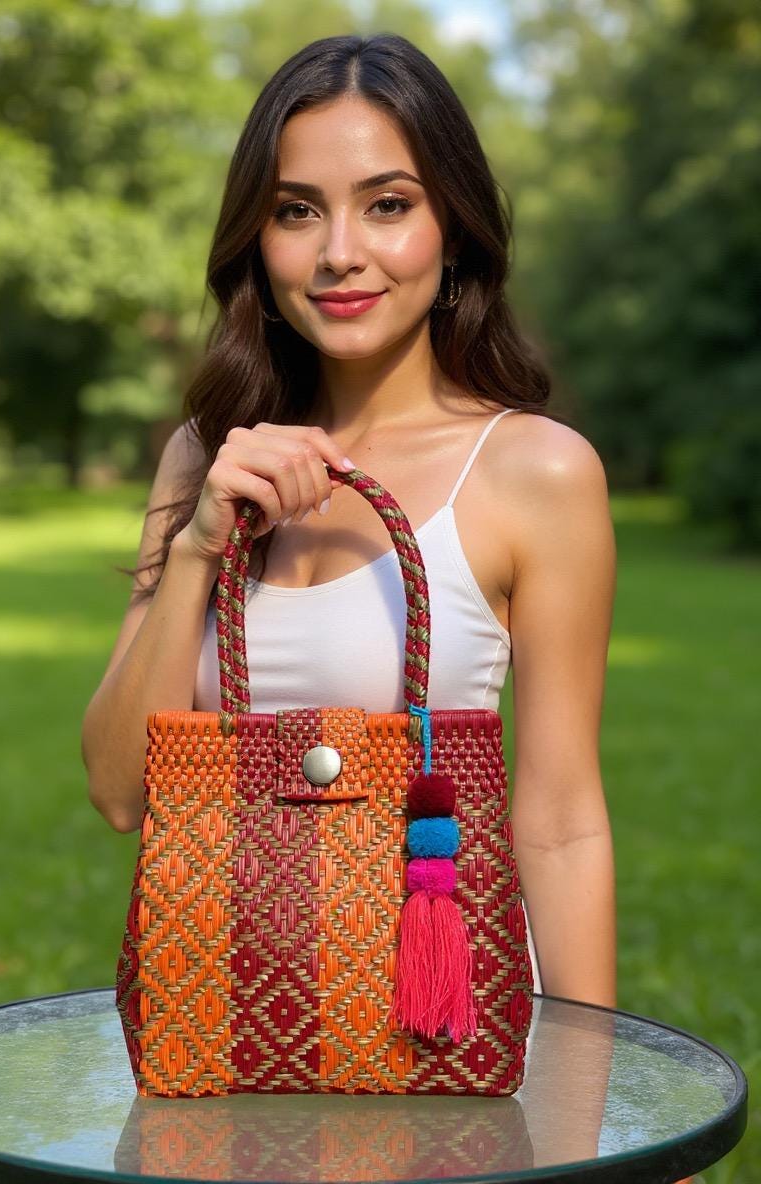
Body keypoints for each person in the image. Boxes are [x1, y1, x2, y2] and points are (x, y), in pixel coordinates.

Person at [81, 32, 617, 1016]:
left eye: (387, 204)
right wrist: (200, 542)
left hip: (447, 1028)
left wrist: (603, 1101)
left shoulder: (533, 470)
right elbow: (122, 792)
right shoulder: (204, 458)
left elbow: (560, 820)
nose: (339, 252)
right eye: (296, 210)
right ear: (257, 235)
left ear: (451, 229)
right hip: (234, 1024)